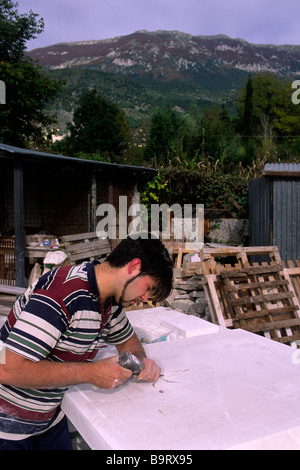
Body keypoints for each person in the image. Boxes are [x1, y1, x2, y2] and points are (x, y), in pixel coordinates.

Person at [0, 234, 173, 450]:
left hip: (49, 419)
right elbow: (6, 368)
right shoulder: (64, 292)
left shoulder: (109, 300)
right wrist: (91, 373)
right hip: (8, 427)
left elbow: (129, 341)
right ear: (133, 267)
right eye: (148, 287)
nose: (145, 298)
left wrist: (140, 362)